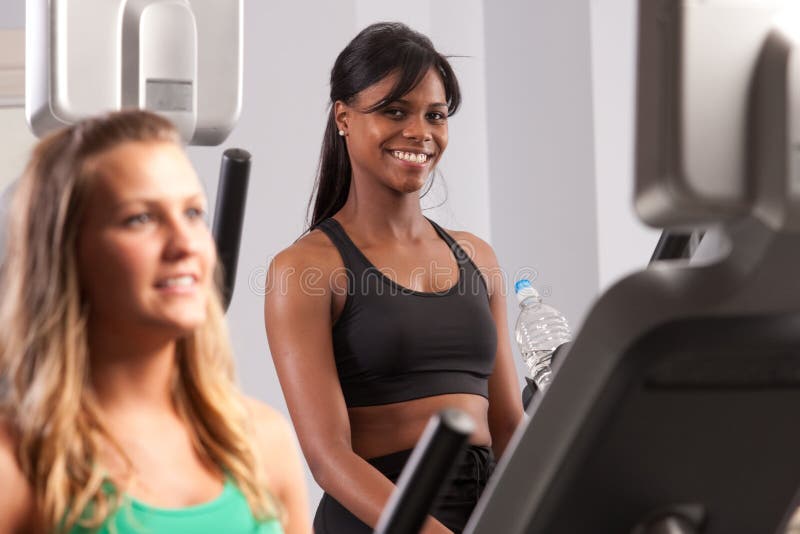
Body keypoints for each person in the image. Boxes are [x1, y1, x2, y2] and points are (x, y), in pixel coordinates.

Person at [264, 22, 524, 534]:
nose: (420, 132)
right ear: (344, 117)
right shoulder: (306, 268)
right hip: (379, 518)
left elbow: (509, 424)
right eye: (395, 111)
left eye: (435, 115)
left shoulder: (478, 257)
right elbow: (328, 457)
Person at [0, 110, 311, 534]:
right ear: (66, 253)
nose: (185, 244)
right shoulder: (16, 465)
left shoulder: (263, 443)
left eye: (193, 213)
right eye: (140, 219)